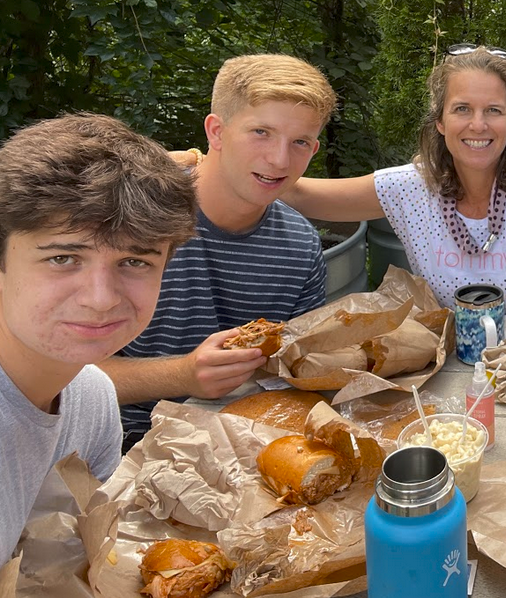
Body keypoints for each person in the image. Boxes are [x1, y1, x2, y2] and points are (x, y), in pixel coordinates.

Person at [279, 45, 506, 317]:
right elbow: (296, 192)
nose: (478, 125)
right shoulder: (409, 189)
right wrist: (240, 153)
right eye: (462, 109)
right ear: (439, 122)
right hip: (452, 366)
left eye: (493, 111)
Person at [100, 54, 337, 450]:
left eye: (299, 142)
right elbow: (57, 371)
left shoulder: (300, 246)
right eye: (261, 132)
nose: (279, 160)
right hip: (125, 446)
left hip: (248, 441)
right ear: (216, 132)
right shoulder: (127, 215)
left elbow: (294, 374)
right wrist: (182, 375)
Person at [0, 113, 196, 563]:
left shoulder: (92, 398)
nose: (101, 299)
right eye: (64, 257)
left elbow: (76, 561)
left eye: (135, 262)